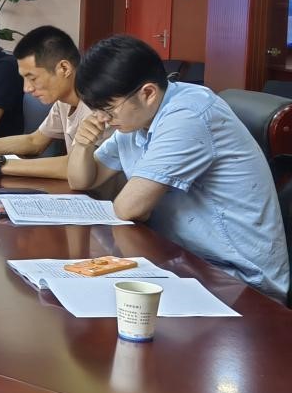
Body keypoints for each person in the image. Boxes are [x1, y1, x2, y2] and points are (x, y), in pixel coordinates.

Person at [69, 35, 289, 300]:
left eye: (109, 109)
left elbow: (129, 208)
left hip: (238, 279)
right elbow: (82, 181)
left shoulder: (188, 115)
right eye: (97, 110)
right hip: (182, 258)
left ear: (148, 93)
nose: (103, 119)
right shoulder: (137, 118)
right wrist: (82, 145)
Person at [0, 25, 95, 179]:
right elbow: (34, 141)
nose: (27, 89)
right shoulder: (63, 102)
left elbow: (72, 167)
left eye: (32, 78)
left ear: (64, 69)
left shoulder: (97, 105)